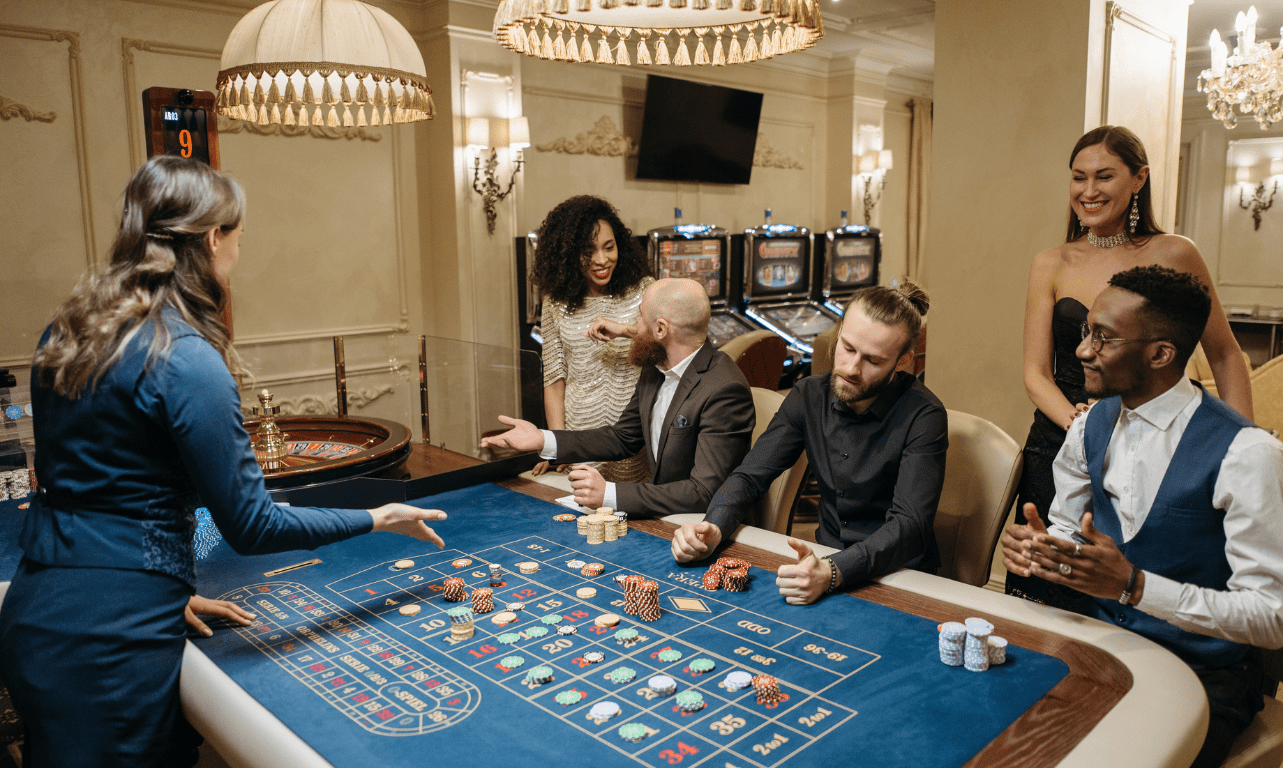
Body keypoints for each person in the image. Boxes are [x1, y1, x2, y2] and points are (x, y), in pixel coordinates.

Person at [0, 156, 447, 768]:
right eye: (237, 235)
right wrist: (377, 516)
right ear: (214, 238)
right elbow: (254, 524)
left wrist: (161, 591)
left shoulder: (69, 330)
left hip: (39, 614)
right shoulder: (185, 358)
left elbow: (93, 489)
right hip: (112, 648)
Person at [1002, 265, 1283, 768]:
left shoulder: (1248, 453)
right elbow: (1069, 530)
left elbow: (1276, 617)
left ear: (1161, 354)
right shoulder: (1086, 425)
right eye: (1085, 331)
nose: (1082, 351)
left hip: (1204, 671)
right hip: (1102, 647)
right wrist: (1045, 550)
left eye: (1104, 338)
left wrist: (1136, 587)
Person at [1011, 125, 1255, 610]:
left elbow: (1226, 354)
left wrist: (1243, 444)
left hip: (1156, 443)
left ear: (1139, 178)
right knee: (1048, 587)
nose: (1088, 191)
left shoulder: (1175, 253)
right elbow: (1036, 373)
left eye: (1104, 176)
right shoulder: (1050, 262)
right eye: (1078, 177)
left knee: (1136, 589)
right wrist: (1084, 427)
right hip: (1061, 436)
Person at [672, 283, 947, 605]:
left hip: (899, 575)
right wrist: (714, 526)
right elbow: (750, 476)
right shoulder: (808, 395)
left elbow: (909, 525)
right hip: (823, 561)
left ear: (903, 362)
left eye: (872, 360)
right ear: (839, 332)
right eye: (847, 347)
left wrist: (834, 571)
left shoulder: (925, 416)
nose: (851, 368)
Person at [481, 278, 755, 516]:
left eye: (640, 316)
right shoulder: (655, 368)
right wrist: (543, 438)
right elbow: (622, 437)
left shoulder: (724, 390)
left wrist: (610, 494)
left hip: (705, 529)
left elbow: (703, 493)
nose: (634, 325)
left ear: (660, 329)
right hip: (666, 515)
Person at [534, 195, 654, 483]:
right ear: (567, 253)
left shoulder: (644, 289)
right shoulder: (555, 301)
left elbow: (670, 340)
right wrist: (558, 446)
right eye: (588, 251)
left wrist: (623, 329)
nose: (602, 260)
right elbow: (554, 379)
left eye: (609, 247)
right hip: (581, 437)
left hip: (634, 437)